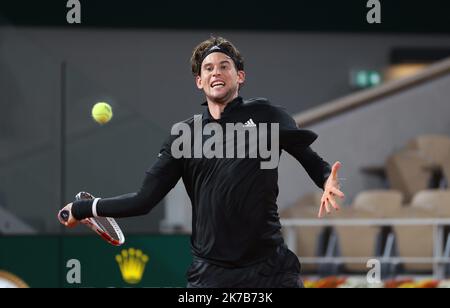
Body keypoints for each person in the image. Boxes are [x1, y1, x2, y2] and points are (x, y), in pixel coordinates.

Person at [58, 36, 344, 288]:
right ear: (199, 81)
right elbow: (143, 200)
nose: (216, 72)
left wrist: (325, 179)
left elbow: (307, 156)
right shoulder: (183, 136)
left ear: (240, 76)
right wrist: (84, 208)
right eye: (208, 68)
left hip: (270, 269)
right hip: (211, 275)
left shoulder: (268, 117)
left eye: (224, 66)